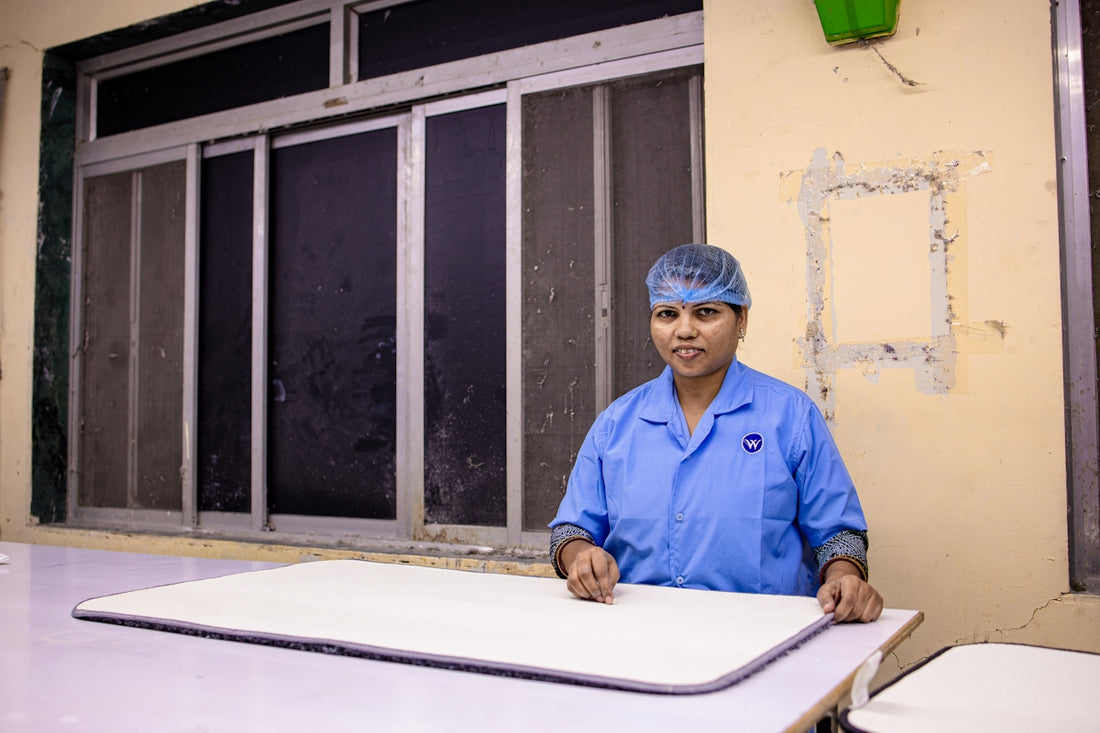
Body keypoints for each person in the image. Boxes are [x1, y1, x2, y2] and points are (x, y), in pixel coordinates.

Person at [548, 243, 883, 623]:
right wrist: (579, 556)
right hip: (635, 627)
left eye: (706, 312)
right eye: (667, 314)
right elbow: (571, 529)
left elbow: (839, 533)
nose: (685, 330)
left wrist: (844, 576)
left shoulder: (789, 416)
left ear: (742, 320)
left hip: (763, 631)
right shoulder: (617, 423)